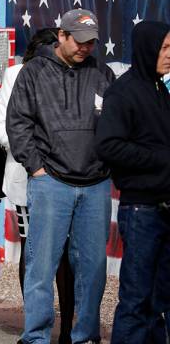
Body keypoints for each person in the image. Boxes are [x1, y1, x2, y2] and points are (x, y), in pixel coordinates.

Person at [7, 9, 114, 344]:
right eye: (79, 41)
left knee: (93, 270)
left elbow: (115, 122)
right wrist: (37, 169)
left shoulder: (102, 72)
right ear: (62, 36)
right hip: (50, 181)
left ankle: (85, 336)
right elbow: (18, 123)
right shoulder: (34, 72)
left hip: (96, 184)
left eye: (92, 42)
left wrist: (106, 163)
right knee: (41, 267)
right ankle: (36, 336)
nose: (86, 47)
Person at [0, 28, 75, 344]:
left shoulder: (73, 74)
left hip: (66, 177)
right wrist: (28, 147)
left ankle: (67, 331)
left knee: (65, 254)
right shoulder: (16, 74)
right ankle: (36, 326)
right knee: (33, 250)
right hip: (27, 177)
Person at [95, 21, 170, 344]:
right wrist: (160, 159)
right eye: (165, 48)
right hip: (142, 210)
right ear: (147, 49)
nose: (169, 55)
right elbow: (108, 145)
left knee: (158, 300)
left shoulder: (160, 89)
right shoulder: (123, 92)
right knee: (136, 299)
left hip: (164, 206)